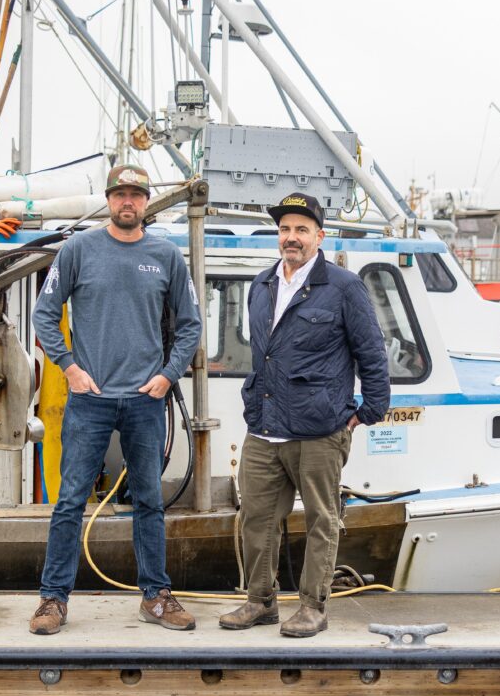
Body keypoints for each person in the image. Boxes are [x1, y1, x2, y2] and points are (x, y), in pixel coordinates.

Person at [29, 163, 202, 635]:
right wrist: (69, 367)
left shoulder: (166, 255)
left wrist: (167, 375)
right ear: (108, 200)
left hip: (146, 400)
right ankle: (52, 600)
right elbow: (44, 314)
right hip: (90, 400)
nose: (128, 201)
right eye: (120, 194)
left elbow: (191, 325)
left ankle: (156, 597)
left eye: (136, 195)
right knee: (70, 500)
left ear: (146, 202)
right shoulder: (78, 249)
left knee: (149, 500)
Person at [219, 192, 390, 637]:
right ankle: (260, 602)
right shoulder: (262, 284)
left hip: (319, 429)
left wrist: (367, 412)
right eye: (284, 229)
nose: (291, 237)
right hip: (265, 426)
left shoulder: (344, 287)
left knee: (321, 519)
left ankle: (313, 607)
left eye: (301, 229)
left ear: (319, 236)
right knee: (256, 518)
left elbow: (372, 353)